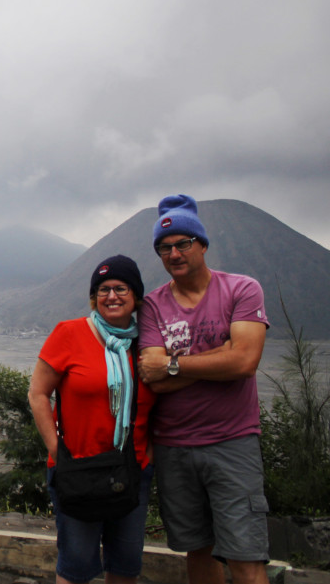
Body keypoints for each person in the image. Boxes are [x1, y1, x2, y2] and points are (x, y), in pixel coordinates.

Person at [137, 194, 270, 584]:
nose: (174, 253)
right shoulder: (152, 306)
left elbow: (245, 362)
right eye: (165, 248)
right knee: (198, 550)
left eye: (183, 243)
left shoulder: (242, 290)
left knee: (246, 557)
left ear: (202, 244)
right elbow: (152, 378)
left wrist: (174, 364)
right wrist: (220, 361)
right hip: (175, 446)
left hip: (232, 442)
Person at [29, 254, 156, 584]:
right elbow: (38, 393)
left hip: (133, 468)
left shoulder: (149, 344)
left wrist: (150, 453)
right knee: (76, 566)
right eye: (102, 289)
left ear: (136, 295)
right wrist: (58, 451)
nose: (111, 296)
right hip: (79, 469)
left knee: (125, 565)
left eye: (121, 288)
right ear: (93, 297)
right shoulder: (70, 333)